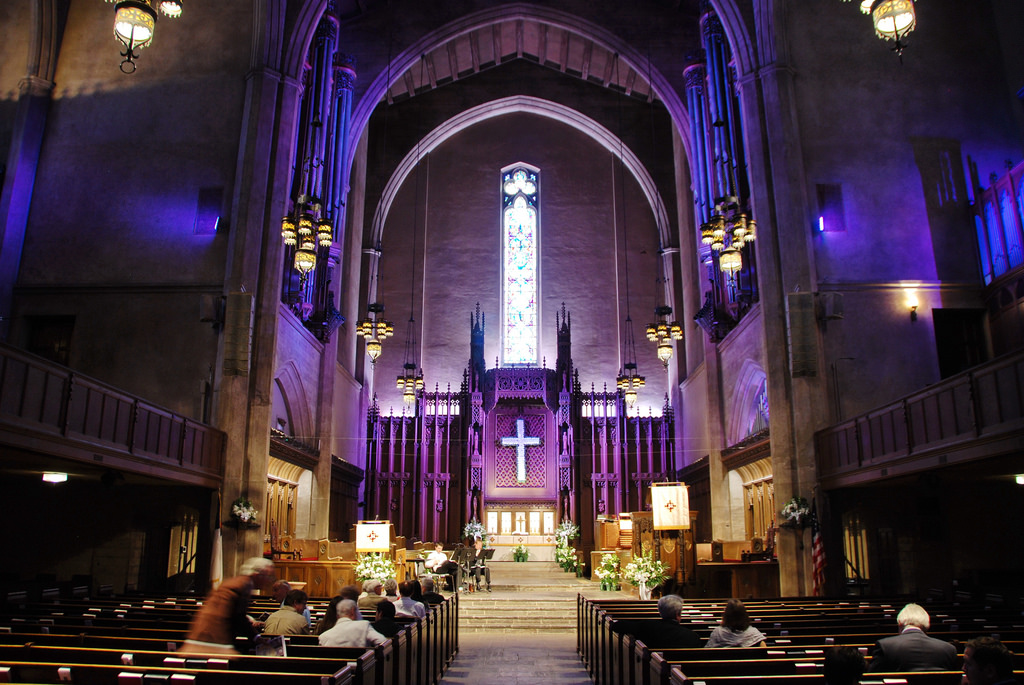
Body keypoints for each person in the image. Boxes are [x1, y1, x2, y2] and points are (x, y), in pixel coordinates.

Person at [180, 556, 276, 654]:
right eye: (267, 576)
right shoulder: (244, 584)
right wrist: (256, 637)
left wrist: (255, 636)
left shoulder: (238, 582)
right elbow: (239, 618)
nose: (269, 581)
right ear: (257, 575)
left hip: (204, 639)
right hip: (212, 642)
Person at [867, 603, 957, 672]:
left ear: (900, 623)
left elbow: (871, 678)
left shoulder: (885, 646)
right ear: (927, 626)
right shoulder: (949, 649)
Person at [612, 594, 701, 649]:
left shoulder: (648, 627)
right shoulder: (692, 636)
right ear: (678, 614)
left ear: (660, 612)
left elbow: (616, 626)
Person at [318, 599, 387, 647]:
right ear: (352, 611)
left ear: (337, 616)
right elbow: (383, 642)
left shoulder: (323, 637)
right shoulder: (363, 626)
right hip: (360, 667)